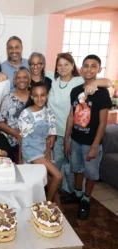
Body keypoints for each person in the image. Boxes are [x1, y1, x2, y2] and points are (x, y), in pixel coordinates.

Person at [47, 53, 111, 195]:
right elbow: (71, 115)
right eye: (60, 64)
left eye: (67, 64)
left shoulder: (81, 82)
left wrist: (95, 83)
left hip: (81, 137)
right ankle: (66, 193)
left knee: (82, 170)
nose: (63, 67)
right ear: (56, 68)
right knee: (70, 167)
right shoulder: (55, 80)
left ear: (74, 67)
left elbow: (108, 82)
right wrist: (65, 138)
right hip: (64, 134)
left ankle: (80, 196)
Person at [63, 55, 112, 220]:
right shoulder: (76, 91)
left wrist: (94, 146)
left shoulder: (102, 93)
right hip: (75, 140)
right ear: (81, 69)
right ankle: (77, 194)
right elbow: (71, 116)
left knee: (91, 173)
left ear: (98, 69)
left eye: (93, 66)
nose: (89, 69)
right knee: (76, 168)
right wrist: (66, 139)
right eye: (86, 66)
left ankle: (86, 199)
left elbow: (103, 122)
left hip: (91, 143)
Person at [18, 83, 62, 203]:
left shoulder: (49, 113)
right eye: (36, 95)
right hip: (31, 149)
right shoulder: (25, 114)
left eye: (42, 95)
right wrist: (20, 159)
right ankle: (47, 205)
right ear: (31, 96)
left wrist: (48, 149)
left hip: (44, 148)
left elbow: (51, 135)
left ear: (47, 95)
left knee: (49, 179)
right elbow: (22, 139)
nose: (39, 98)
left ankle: (53, 204)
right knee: (58, 176)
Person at [0, 67, 30, 163]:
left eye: (25, 77)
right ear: (14, 81)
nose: (22, 80)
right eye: (18, 78)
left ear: (29, 80)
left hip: (31, 143)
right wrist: (15, 133)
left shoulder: (35, 97)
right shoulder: (7, 99)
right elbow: (0, 123)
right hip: (11, 143)